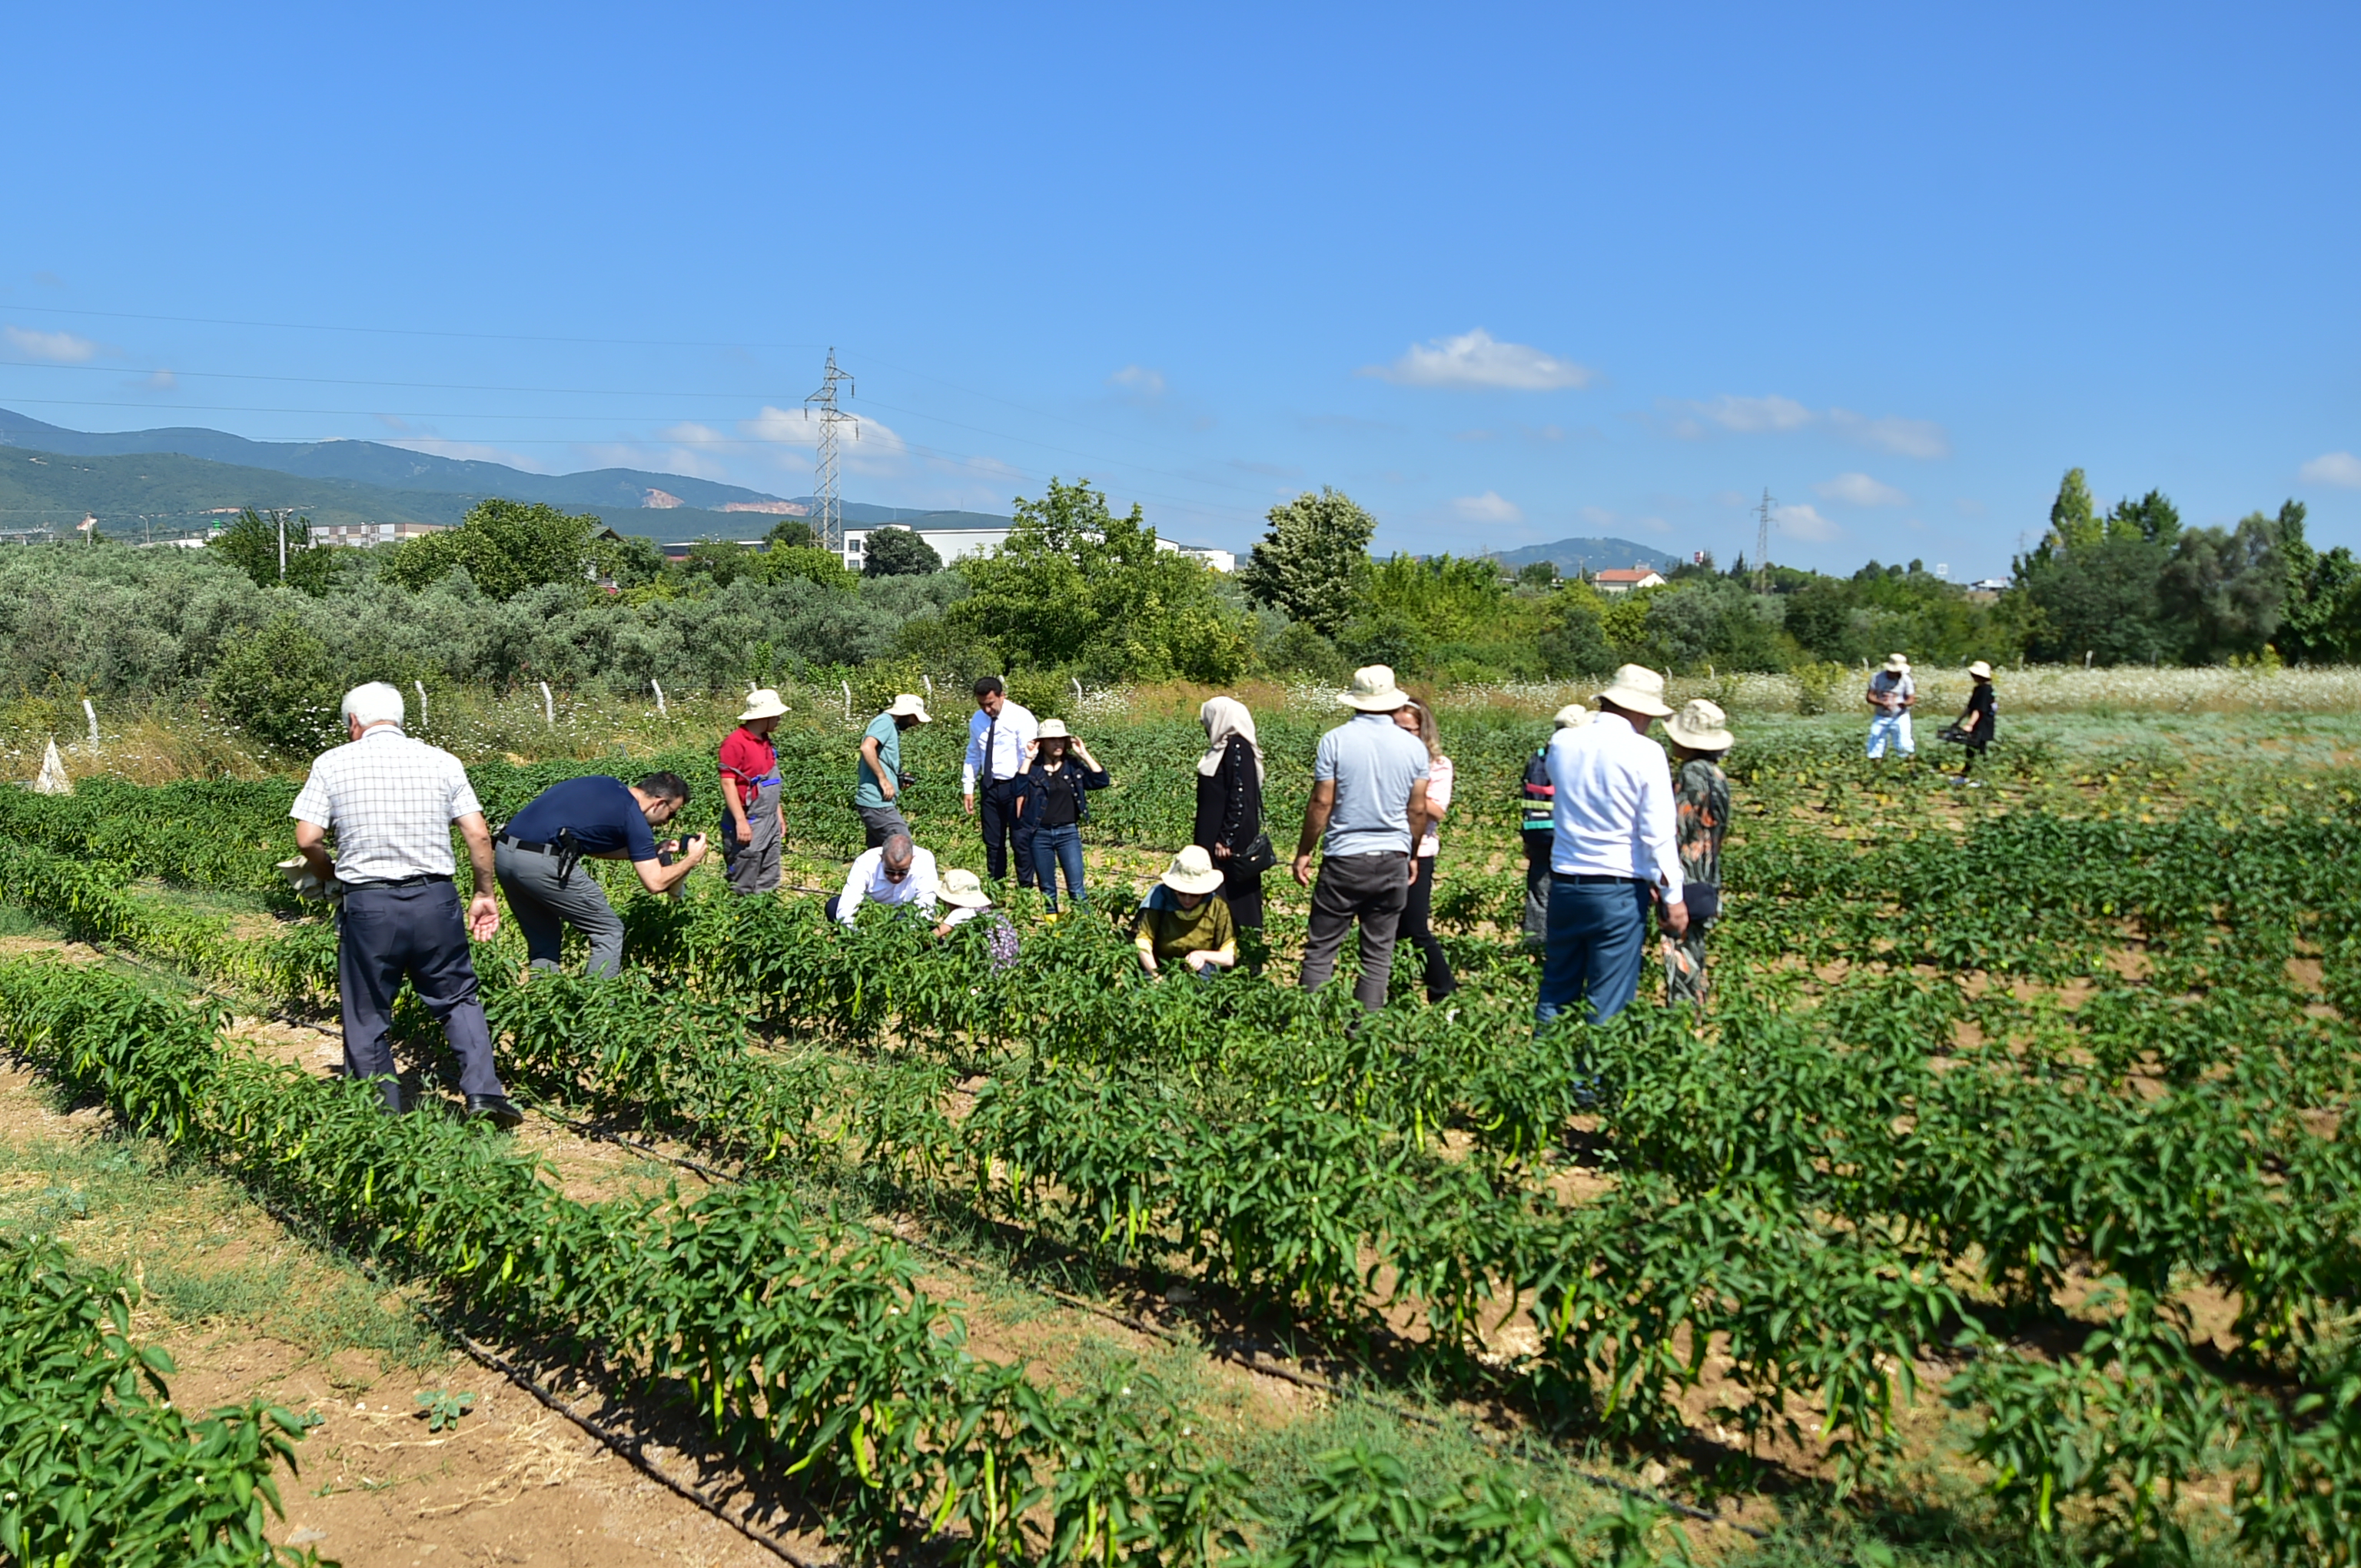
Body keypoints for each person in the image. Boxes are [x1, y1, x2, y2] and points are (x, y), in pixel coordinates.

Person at [290, 682, 519, 1125]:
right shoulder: (442, 760)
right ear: (398, 718)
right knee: (457, 997)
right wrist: (484, 893)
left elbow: (308, 837)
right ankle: (484, 1094)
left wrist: (327, 872)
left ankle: (381, 1114)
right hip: (436, 898)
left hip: (370, 904)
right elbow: (477, 834)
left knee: (368, 1008)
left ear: (353, 722)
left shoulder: (332, 762)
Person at [1536, 665, 1688, 1030]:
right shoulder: (1646, 752)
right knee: (1608, 1002)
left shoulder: (1562, 743)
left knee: (1557, 988)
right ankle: (1592, 1087)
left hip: (1566, 882)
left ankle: (1541, 1079)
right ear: (1637, 710)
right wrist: (1673, 895)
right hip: (1617, 889)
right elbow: (1657, 834)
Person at [1292, 665, 1431, 1012]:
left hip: (1345, 858)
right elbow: (1417, 811)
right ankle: (1364, 1031)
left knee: (1322, 948)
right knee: (1378, 954)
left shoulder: (1335, 740)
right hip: (1392, 858)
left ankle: (1310, 1030)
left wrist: (1304, 851)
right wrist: (1412, 854)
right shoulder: (1414, 748)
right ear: (1392, 702)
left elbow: (1323, 801)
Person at [496, 772, 707, 977]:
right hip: (541, 863)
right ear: (659, 803)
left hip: (505, 855)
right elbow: (655, 883)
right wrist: (692, 859)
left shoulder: (605, 785)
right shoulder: (633, 819)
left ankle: (541, 1005)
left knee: (544, 940)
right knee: (608, 931)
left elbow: (588, 844)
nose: (668, 822)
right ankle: (598, 1006)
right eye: (672, 813)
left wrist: (651, 852)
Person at [1661, 699, 1733, 1011]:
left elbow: (1677, 827)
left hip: (1686, 876)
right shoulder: (1717, 775)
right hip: (1708, 874)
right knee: (1696, 947)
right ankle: (1696, 1011)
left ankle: (1684, 1018)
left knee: (1680, 949)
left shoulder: (1691, 774)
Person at [1393, 698, 1458, 1003]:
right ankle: (1398, 993)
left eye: (1410, 730)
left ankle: (1443, 989)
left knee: (1416, 926)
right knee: (1389, 928)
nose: (1403, 736)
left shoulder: (1439, 765)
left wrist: (1409, 788)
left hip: (1421, 850)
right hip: (1387, 847)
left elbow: (1437, 811)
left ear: (1423, 730)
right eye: (1398, 728)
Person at [1011, 719, 1108, 912]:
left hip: (1068, 833)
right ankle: (1053, 935)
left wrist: (1084, 754)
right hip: (1040, 834)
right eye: (1052, 740)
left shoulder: (1073, 766)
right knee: (1048, 889)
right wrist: (1028, 758)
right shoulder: (1033, 768)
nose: (1057, 744)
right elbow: (1017, 789)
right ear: (1042, 743)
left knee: (1076, 888)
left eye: (1061, 740)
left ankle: (1085, 931)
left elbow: (1101, 780)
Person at [1193, 696, 1267, 934]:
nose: (1206, 726)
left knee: (1233, 896)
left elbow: (1241, 796)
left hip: (1226, 844)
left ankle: (1238, 952)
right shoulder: (1222, 748)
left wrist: (1227, 838)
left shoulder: (1238, 747)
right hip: (1215, 839)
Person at [1521, 704, 1591, 951]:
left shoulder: (1540, 755)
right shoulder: (1581, 757)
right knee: (1573, 894)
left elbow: (1528, 797)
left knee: (1539, 894)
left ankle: (1535, 948)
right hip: (1571, 836)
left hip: (1539, 833)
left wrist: (1527, 839)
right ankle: (1569, 948)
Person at [961, 676, 1039, 888]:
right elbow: (974, 753)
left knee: (1020, 841)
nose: (987, 709)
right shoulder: (977, 720)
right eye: (981, 704)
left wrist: (1023, 790)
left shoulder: (1021, 717)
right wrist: (968, 788)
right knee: (993, 842)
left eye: (990, 703)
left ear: (1002, 696)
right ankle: (997, 890)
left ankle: (1025, 889)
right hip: (990, 786)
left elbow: (1029, 756)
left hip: (1016, 786)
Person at [718, 689, 788, 895]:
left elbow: (770, 782)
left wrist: (779, 814)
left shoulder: (766, 740)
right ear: (764, 717)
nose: (779, 719)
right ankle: (742, 919)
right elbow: (728, 784)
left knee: (770, 872)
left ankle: (764, 915)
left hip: (770, 820)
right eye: (776, 716)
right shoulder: (735, 743)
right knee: (744, 876)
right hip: (749, 819)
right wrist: (740, 821)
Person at [1134, 845, 1237, 978]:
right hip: (1160, 966)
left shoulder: (1217, 907)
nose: (1187, 900)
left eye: (1195, 895)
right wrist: (1155, 975)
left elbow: (1229, 957)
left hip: (1201, 971)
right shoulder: (1159, 899)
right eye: (1181, 893)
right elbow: (1143, 940)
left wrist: (1201, 955)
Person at [855, 693, 931, 849]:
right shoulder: (884, 722)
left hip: (880, 801)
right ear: (906, 714)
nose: (915, 724)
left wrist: (897, 779)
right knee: (901, 845)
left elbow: (882, 758)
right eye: (914, 718)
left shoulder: (890, 725)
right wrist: (883, 779)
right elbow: (867, 747)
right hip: (877, 803)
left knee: (878, 853)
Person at [829, 832, 940, 926]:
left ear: (912, 859)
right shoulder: (866, 862)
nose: (896, 877)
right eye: (889, 872)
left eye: (903, 872)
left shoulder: (924, 860)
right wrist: (860, 936)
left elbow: (926, 903)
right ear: (881, 858)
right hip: (872, 914)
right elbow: (849, 903)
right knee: (833, 906)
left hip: (906, 916)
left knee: (932, 932)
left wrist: (912, 935)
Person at [933, 867, 1019, 968]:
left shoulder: (960, 913)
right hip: (1011, 962)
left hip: (990, 966)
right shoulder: (989, 910)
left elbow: (931, 938)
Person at [1948, 660, 1997, 786]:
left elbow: (1979, 709)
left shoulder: (1986, 690)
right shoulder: (1979, 689)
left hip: (1981, 724)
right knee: (1970, 750)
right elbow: (1970, 707)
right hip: (1977, 723)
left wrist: (1969, 724)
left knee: (1979, 750)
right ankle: (1966, 776)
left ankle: (1982, 778)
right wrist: (1958, 721)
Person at [1865, 653, 1916, 760]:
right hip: (1881, 715)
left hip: (1900, 716)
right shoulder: (1877, 677)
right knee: (1875, 741)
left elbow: (1911, 698)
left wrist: (1903, 704)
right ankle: (1875, 767)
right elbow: (1870, 696)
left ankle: (1908, 768)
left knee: (1904, 743)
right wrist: (1881, 703)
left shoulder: (1906, 679)